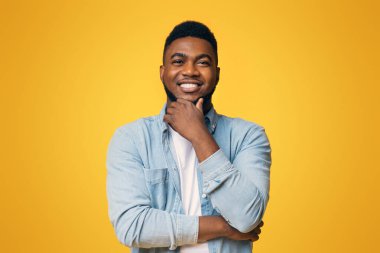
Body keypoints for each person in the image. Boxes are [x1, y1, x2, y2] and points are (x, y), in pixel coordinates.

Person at [106, 21, 271, 253]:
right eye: (178, 61)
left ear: (217, 74)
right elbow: (132, 226)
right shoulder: (132, 139)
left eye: (203, 62)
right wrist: (222, 227)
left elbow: (247, 217)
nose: (190, 70)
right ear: (163, 73)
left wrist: (199, 135)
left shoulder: (248, 136)